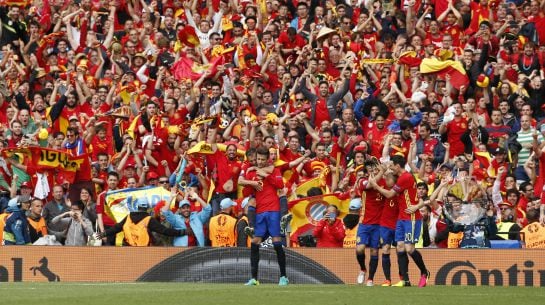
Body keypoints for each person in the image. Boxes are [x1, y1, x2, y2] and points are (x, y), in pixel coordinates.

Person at [368, 155, 430, 287]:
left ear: (397, 165)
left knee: (409, 248)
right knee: (400, 247)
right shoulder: (404, 177)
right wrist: (382, 170)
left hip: (411, 218)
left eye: (392, 166)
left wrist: (375, 185)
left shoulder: (405, 178)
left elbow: (390, 194)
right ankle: (406, 280)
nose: (390, 168)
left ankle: (425, 272)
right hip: (402, 218)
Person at [244, 147, 288, 286]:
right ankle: (254, 279)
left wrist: (265, 174)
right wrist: (252, 183)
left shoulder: (274, 171)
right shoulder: (252, 173)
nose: (260, 162)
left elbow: (280, 185)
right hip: (260, 212)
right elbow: (246, 190)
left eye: (263, 159)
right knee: (255, 242)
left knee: (276, 242)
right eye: (258, 159)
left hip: (273, 210)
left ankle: (283, 277)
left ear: (268, 159)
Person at [99, 197, 186, 246]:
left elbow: (116, 228)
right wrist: (183, 232)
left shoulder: (128, 217)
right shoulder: (149, 219)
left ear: (137, 207)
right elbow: (165, 231)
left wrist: (103, 233)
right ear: (147, 208)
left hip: (128, 249)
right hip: (144, 251)